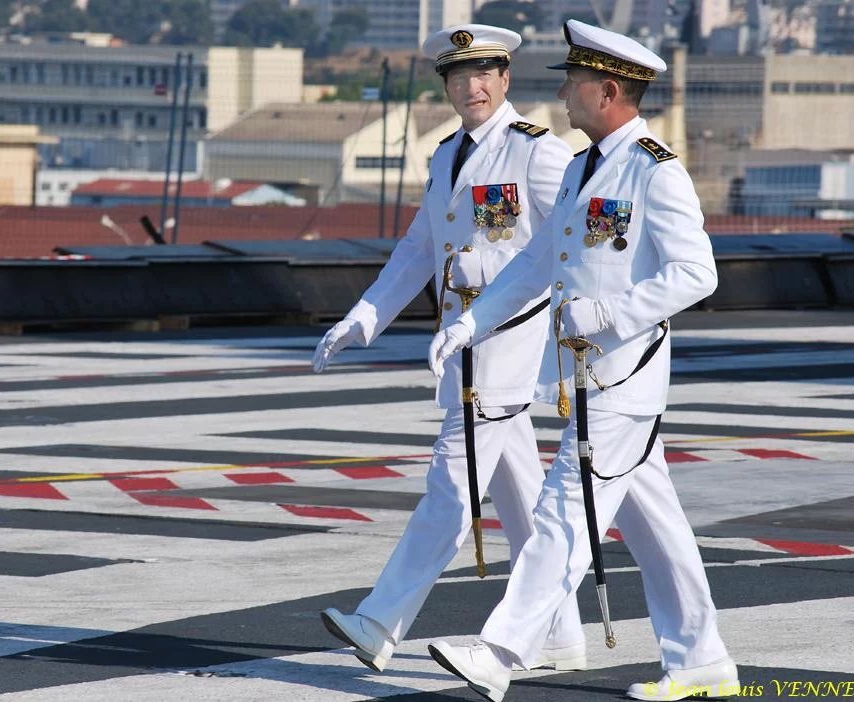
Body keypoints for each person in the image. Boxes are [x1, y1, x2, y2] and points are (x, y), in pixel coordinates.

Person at [426, 19, 739, 702]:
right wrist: (476, 320)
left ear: (607, 91)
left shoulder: (655, 170)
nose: (562, 95)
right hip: (589, 379)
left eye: (572, 83)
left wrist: (615, 311)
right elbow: (537, 262)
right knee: (657, 529)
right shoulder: (581, 168)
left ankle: (503, 648)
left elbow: (698, 273)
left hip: (625, 373)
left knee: (566, 511)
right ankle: (702, 659)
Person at [311, 24, 586, 674]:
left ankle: (380, 621)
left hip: (507, 347)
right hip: (462, 350)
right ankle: (559, 632)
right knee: (521, 499)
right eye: (460, 75)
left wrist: (500, 285)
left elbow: (570, 248)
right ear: (448, 84)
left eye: (486, 72)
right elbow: (416, 250)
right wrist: (364, 316)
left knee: (450, 485)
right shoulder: (444, 156)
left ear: (506, 77)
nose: (474, 86)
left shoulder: (537, 154)